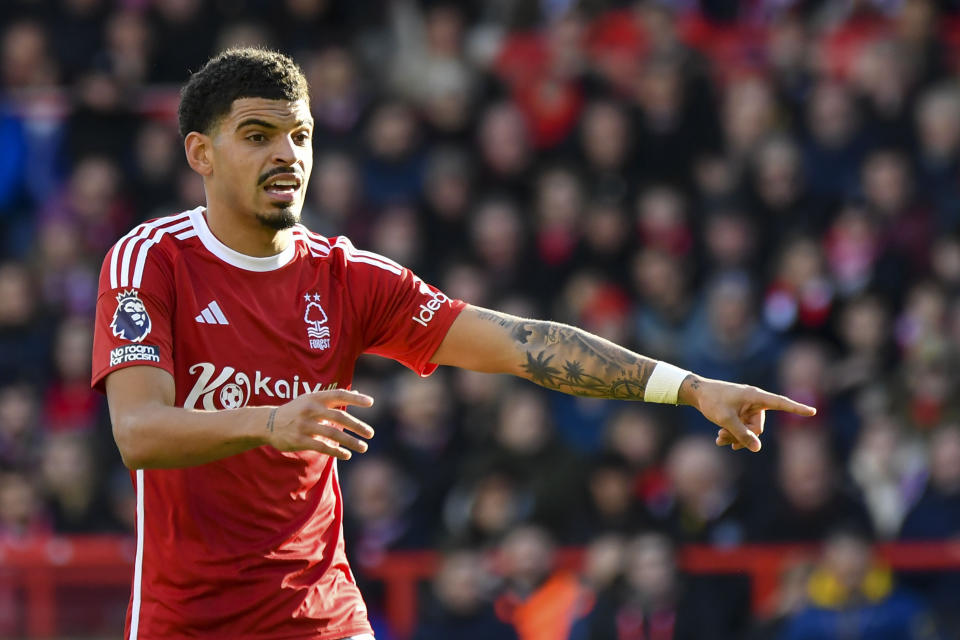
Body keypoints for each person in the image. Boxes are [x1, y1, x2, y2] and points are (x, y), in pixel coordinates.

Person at [91, 48, 816, 640]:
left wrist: (689, 387)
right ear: (201, 153)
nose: (287, 155)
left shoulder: (349, 277)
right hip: (185, 622)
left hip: (320, 618)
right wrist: (273, 421)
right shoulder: (150, 261)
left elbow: (523, 344)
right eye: (258, 136)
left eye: (301, 135)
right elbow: (139, 431)